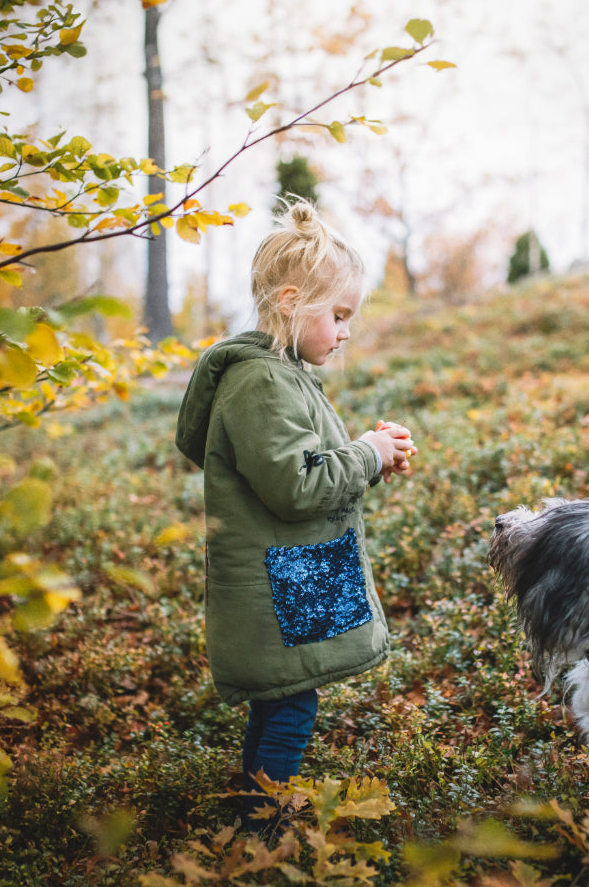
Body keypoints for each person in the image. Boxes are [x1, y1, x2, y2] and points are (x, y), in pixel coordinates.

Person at [175, 199, 416, 832]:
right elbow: (296, 488)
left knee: (283, 701)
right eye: (337, 316)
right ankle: (259, 830)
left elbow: (306, 470)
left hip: (298, 572)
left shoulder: (287, 376)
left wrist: (370, 458)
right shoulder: (261, 383)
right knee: (290, 707)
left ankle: (251, 811)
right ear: (289, 301)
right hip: (280, 585)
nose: (344, 333)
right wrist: (366, 452)